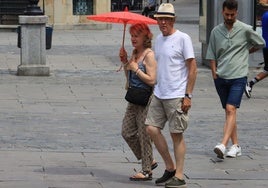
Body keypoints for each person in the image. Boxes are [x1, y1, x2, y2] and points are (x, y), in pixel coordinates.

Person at [145, 3, 197, 188]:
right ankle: (170, 167)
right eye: (160, 19)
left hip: (177, 94)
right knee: (151, 128)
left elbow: (192, 68)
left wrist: (188, 95)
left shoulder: (183, 38)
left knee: (176, 135)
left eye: (166, 19)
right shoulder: (158, 39)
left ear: (173, 20)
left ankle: (180, 175)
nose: (163, 22)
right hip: (159, 92)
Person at [206, 0, 265, 159]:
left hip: (239, 76)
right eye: (227, 14)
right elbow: (211, 53)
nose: (229, 17)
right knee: (229, 112)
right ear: (222, 12)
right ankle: (236, 145)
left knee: (231, 109)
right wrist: (213, 72)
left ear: (236, 13)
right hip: (221, 76)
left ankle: (223, 144)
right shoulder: (216, 31)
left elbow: (261, 43)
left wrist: (246, 51)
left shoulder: (245, 29)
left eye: (232, 14)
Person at [118, 23, 158, 181]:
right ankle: (149, 159)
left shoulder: (149, 55)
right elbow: (129, 78)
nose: (133, 39)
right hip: (133, 97)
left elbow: (152, 80)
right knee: (126, 132)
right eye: (132, 35)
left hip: (145, 99)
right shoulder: (135, 53)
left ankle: (147, 170)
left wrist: (136, 69)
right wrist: (125, 61)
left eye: (136, 36)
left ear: (145, 37)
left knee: (143, 134)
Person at [245, 11, 268, 98]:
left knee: (267, 70)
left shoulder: (265, 15)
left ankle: (250, 84)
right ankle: (250, 84)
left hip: (266, 46)